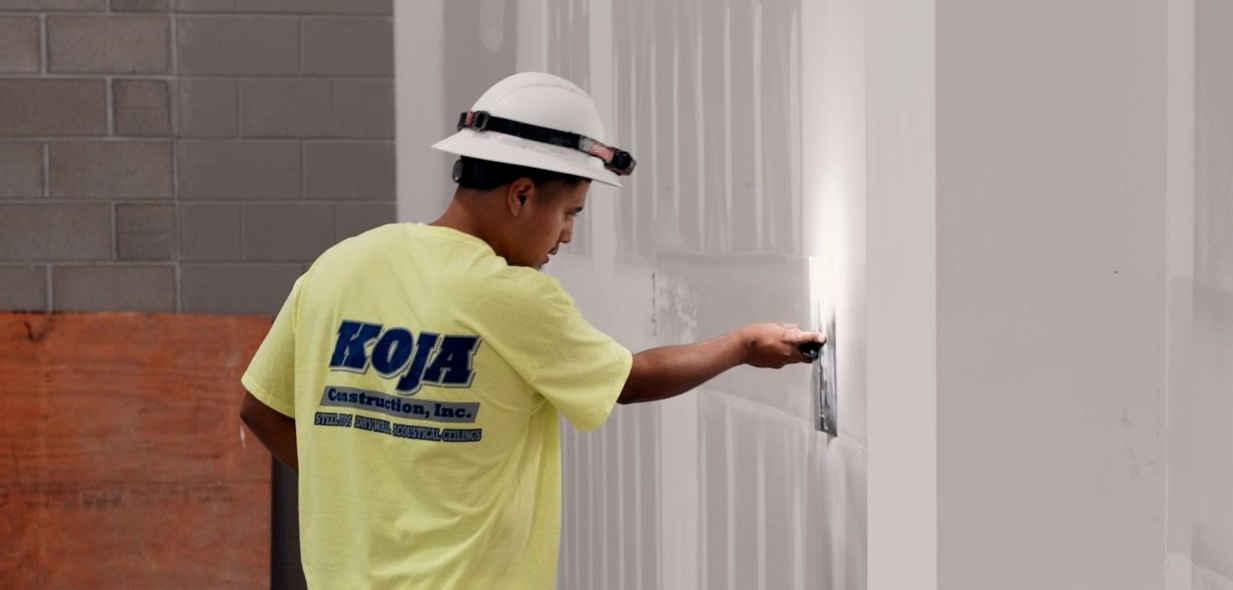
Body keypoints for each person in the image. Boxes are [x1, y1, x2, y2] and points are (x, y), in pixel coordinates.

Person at [235, 71, 824, 589]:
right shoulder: (511, 296)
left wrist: (361, 490)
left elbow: (260, 410)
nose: (566, 236)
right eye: (569, 215)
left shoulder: (340, 265)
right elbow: (630, 379)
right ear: (521, 195)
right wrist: (743, 345)